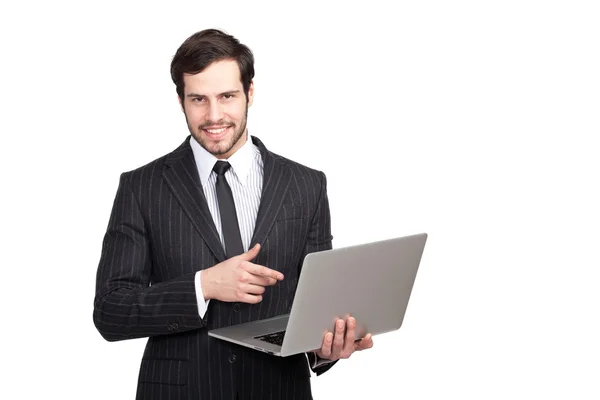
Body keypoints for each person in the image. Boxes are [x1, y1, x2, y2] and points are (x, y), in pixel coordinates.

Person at [93, 28, 374, 400]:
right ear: (181, 100)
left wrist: (325, 349)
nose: (214, 115)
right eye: (198, 99)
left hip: (277, 389)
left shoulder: (306, 184)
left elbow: (314, 304)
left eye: (227, 96)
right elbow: (111, 311)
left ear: (250, 93)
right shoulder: (141, 187)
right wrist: (204, 285)